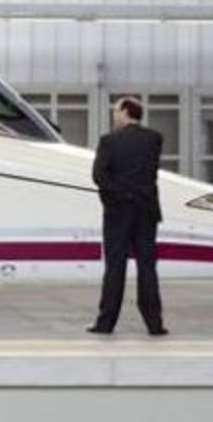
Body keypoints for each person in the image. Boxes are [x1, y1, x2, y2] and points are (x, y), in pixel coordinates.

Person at [88, 97, 168, 336]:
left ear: (125, 111)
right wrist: (134, 192)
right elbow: (147, 173)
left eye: (115, 111)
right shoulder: (154, 139)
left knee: (115, 267)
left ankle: (106, 323)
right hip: (146, 211)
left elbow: (99, 176)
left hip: (118, 212)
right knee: (147, 267)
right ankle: (155, 324)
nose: (114, 116)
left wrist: (120, 193)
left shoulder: (109, 141)